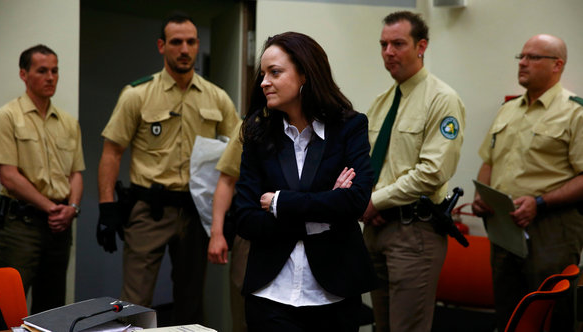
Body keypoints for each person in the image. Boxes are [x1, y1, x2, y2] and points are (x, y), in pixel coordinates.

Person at [97, 12, 239, 324]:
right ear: (162, 46)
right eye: (176, 42)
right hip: (149, 209)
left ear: (197, 44)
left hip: (194, 211)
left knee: (190, 301)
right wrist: (107, 209)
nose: (184, 49)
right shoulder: (137, 94)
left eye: (190, 42)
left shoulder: (217, 97)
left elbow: (238, 154)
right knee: (134, 301)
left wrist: (226, 214)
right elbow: (112, 152)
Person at [234, 31, 377, 332]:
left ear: (304, 75)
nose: (263, 82)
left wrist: (280, 203)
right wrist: (324, 212)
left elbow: (355, 202)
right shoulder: (257, 135)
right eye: (263, 74)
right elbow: (244, 218)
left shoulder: (350, 127)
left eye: (275, 72)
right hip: (270, 295)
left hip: (334, 295)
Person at [361, 11, 465, 332]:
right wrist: (369, 200)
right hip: (377, 229)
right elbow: (367, 163)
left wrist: (376, 200)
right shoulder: (382, 102)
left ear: (421, 46)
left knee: (407, 328)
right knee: (382, 325)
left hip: (414, 232)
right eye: (383, 45)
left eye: (398, 44)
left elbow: (432, 172)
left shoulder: (442, 100)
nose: (388, 52)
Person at [472, 34, 583, 332]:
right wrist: (481, 195)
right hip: (506, 228)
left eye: (533, 57)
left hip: (551, 229)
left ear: (557, 65)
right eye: (521, 56)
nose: (522, 63)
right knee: (509, 314)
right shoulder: (508, 110)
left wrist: (540, 203)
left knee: (551, 315)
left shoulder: (575, 112)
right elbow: (489, 161)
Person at [0, 44, 84, 313]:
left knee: (52, 308)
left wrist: (72, 208)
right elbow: (9, 176)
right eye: (42, 71)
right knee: (7, 305)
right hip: (21, 226)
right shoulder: (7, 117)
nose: (51, 77)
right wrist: (51, 208)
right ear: (24, 74)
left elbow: (76, 173)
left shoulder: (68, 122)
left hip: (59, 226)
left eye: (55, 71)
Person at [207, 125, 249, 332]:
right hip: (253, 231)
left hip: (304, 232)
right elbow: (227, 178)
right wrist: (217, 233)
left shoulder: (324, 122)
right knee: (244, 313)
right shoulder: (253, 124)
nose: (266, 89)